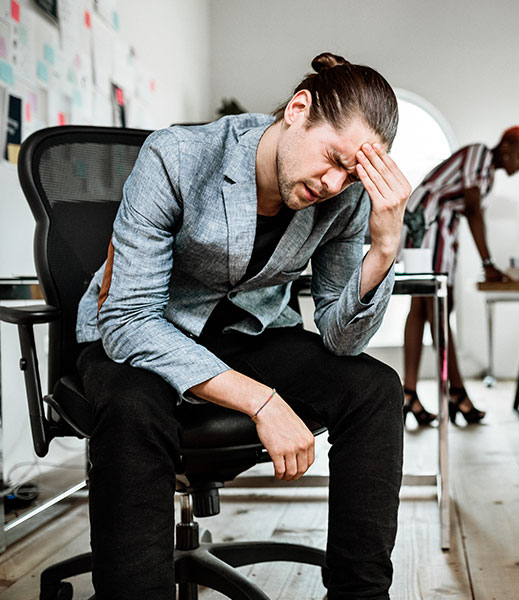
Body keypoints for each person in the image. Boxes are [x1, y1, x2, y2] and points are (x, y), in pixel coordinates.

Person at [75, 53, 410, 599]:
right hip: (142, 329)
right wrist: (263, 401)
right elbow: (128, 318)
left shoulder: (343, 198)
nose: (333, 182)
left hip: (249, 333)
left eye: (353, 172)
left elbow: (340, 338)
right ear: (298, 110)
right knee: (133, 404)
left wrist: (384, 248)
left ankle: (361, 594)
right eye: (332, 158)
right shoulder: (179, 156)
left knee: (374, 388)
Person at [400, 126, 519, 426]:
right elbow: (472, 208)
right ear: (507, 147)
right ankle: (454, 390)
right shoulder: (479, 154)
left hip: (442, 228)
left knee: (425, 308)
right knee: (434, 308)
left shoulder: (489, 174)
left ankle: (412, 393)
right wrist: (488, 262)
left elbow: (466, 210)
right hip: (428, 221)